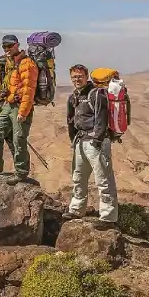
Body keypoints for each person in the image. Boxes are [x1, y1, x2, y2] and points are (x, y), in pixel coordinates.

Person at [62, 64, 119, 228]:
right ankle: (76, 209)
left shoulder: (96, 94)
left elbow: (101, 118)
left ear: (86, 76)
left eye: (80, 76)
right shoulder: (74, 96)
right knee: (78, 177)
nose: (76, 79)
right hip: (81, 142)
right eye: (74, 77)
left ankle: (108, 218)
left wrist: (97, 141)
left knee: (103, 180)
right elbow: (70, 120)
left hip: (96, 142)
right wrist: (73, 139)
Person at [0, 34, 38, 182]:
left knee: (19, 139)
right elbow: (14, 85)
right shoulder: (11, 62)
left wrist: (23, 112)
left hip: (20, 108)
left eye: (9, 46)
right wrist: (7, 93)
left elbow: (28, 89)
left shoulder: (27, 64)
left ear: (17, 45)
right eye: (4, 46)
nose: (6, 49)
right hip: (9, 104)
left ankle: (21, 172)